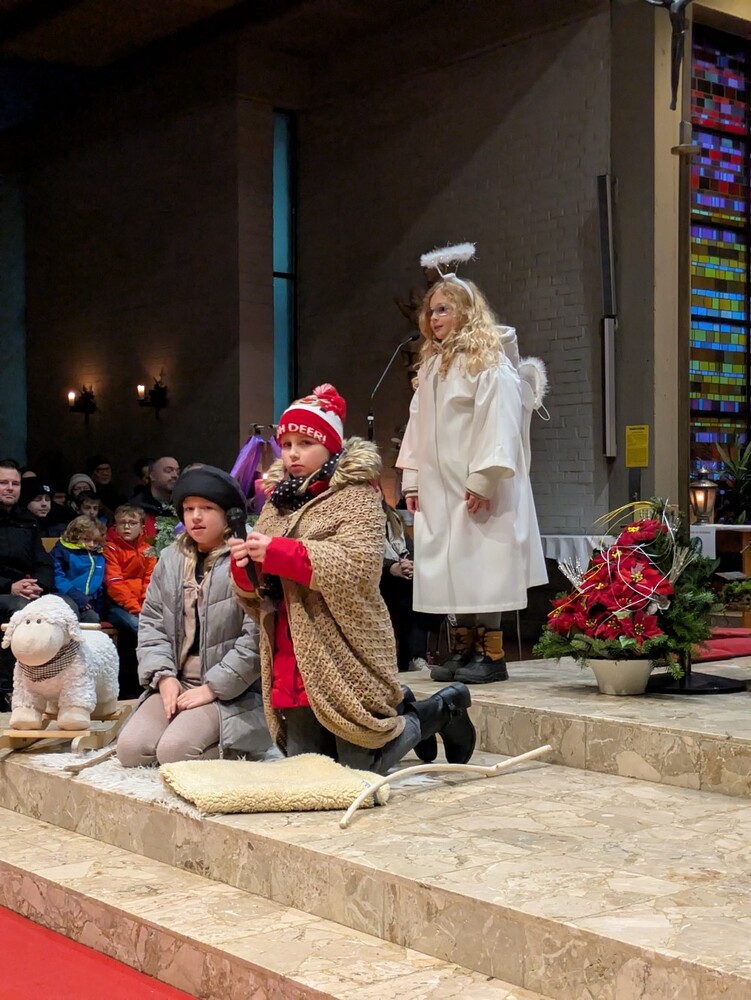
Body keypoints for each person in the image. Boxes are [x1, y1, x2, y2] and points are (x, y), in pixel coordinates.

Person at [229, 383, 475, 773]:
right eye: (287, 443)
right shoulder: (277, 503)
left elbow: (358, 566)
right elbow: (260, 594)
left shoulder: (357, 496)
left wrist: (279, 552)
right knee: (308, 768)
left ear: (330, 446)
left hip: (345, 646)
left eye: (305, 443)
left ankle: (440, 710)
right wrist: (244, 568)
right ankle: (407, 708)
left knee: (364, 766)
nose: (292, 453)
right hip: (293, 651)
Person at [397, 251, 547, 684]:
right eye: (431, 311)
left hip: (477, 485)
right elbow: (417, 424)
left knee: (483, 563)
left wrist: (483, 478)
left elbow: (499, 421)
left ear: (465, 311)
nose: (434, 318)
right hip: (440, 487)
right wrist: (412, 479)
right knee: (454, 564)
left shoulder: (489, 362)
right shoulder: (432, 366)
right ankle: (462, 646)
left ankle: (491, 653)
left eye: (443, 309)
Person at [116, 465, 269, 767]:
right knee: (132, 751)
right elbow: (152, 624)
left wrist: (213, 688)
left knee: (175, 753)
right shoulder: (171, 558)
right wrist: (163, 677)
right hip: (178, 678)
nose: (196, 517)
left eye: (207, 508)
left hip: (233, 689)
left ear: (227, 514)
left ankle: (249, 749)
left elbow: (257, 637)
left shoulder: (247, 558)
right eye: (189, 509)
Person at [0, 459, 55, 709]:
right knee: (20, 610)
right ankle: (10, 689)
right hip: (6, 591)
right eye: (3, 483)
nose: (10, 488)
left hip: (25, 589)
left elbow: (44, 562)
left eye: (15, 483)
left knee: (65, 606)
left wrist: (37, 585)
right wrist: (10, 586)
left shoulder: (27, 520)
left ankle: (55, 687)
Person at [379, 490, 444, 671]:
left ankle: (411, 658)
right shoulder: (357, 520)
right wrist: (391, 567)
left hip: (402, 578)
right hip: (375, 581)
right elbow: (362, 557)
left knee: (421, 591)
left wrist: (411, 564)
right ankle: (414, 657)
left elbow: (409, 548)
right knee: (408, 595)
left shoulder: (393, 518)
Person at [103, 505, 156, 636]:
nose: (127, 527)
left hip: (144, 605)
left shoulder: (148, 550)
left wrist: (145, 607)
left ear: (142, 527)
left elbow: (151, 580)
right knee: (138, 626)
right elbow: (114, 583)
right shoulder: (110, 549)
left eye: (132, 523)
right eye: (122, 523)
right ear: (115, 526)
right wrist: (136, 609)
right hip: (117, 605)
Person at [51, 515, 107, 623]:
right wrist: (76, 595)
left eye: (96, 541)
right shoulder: (62, 551)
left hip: (89, 601)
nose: (91, 545)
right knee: (72, 614)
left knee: (93, 618)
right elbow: (56, 576)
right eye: (86, 539)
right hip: (64, 595)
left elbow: (99, 582)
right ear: (75, 535)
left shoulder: (99, 554)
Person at [132, 456, 181, 538]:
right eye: (168, 471)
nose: (175, 475)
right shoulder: (134, 508)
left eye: (178, 472)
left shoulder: (183, 505)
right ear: (153, 476)